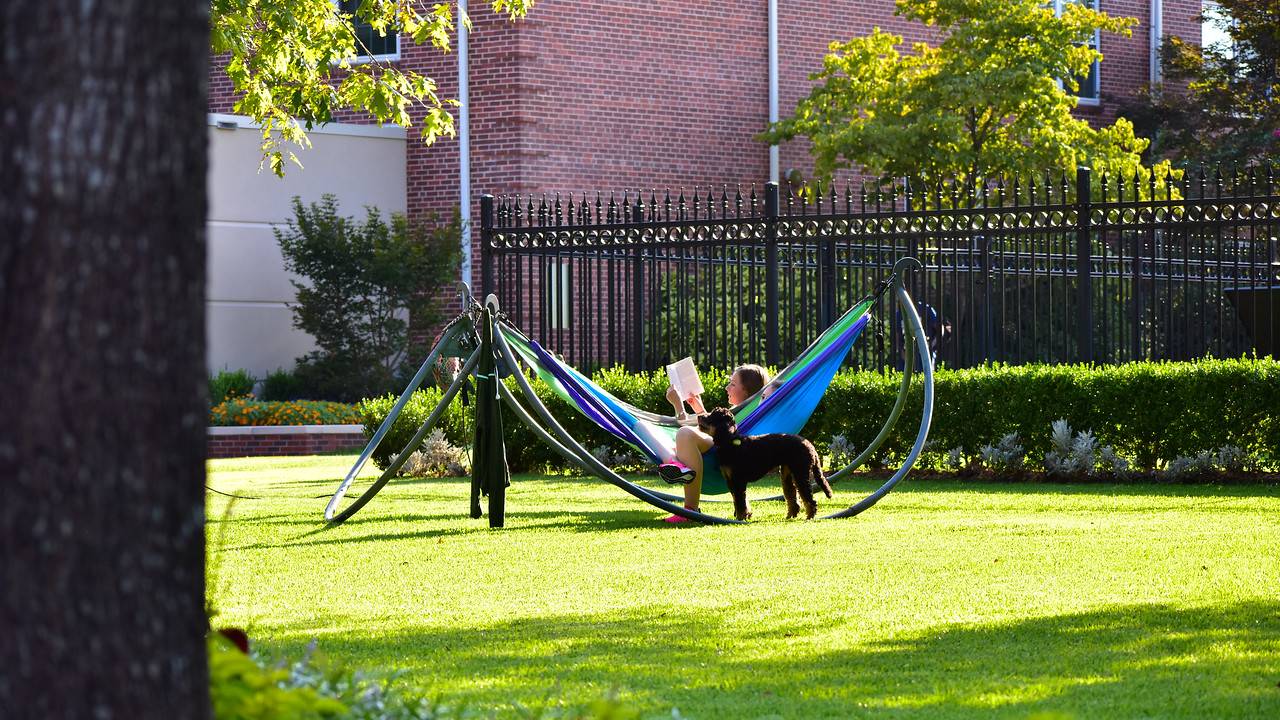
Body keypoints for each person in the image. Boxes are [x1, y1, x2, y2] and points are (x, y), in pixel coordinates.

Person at [656, 364, 772, 523]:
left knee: (684, 433)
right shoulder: (741, 413)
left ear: (746, 390)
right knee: (659, 437)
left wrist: (678, 406)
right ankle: (675, 464)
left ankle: (690, 511)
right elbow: (715, 427)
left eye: (732, 384)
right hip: (722, 450)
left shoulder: (748, 414)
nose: (727, 387)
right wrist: (700, 410)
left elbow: (717, 433)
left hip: (722, 454)